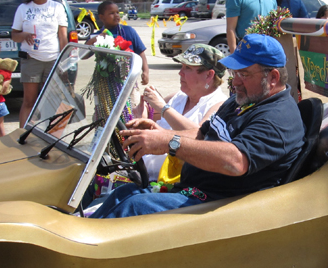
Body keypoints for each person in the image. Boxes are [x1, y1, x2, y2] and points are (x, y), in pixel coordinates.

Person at [90, 34, 305, 219]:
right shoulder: (244, 100)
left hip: (220, 208)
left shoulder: (278, 117)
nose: (235, 82)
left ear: (273, 77)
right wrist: (161, 134)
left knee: (133, 207)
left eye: (244, 74)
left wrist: (170, 142)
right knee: (124, 193)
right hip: (194, 192)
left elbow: (236, 161)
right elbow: (202, 133)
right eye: (235, 73)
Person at [134, 44, 228, 181]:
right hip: (143, 173)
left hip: (172, 183)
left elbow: (200, 136)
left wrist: (163, 107)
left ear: (209, 75)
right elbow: (152, 119)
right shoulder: (178, 97)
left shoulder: (219, 104)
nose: (180, 73)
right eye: (182, 66)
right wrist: (142, 115)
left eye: (188, 68)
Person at [12, 0, 68, 127]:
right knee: (29, 101)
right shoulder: (23, 8)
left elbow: (63, 36)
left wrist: (64, 60)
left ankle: (47, 134)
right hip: (31, 59)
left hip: (53, 60)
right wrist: (24, 35)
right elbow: (14, 35)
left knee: (51, 101)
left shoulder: (57, 7)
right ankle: (23, 134)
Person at [88, 1, 150, 85]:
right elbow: (84, 55)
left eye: (117, 12)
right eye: (112, 13)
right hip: (105, 83)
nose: (116, 15)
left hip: (127, 80)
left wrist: (145, 71)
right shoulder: (97, 36)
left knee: (131, 94)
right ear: (101, 17)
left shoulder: (129, 31)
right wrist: (96, 38)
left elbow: (140, 53)